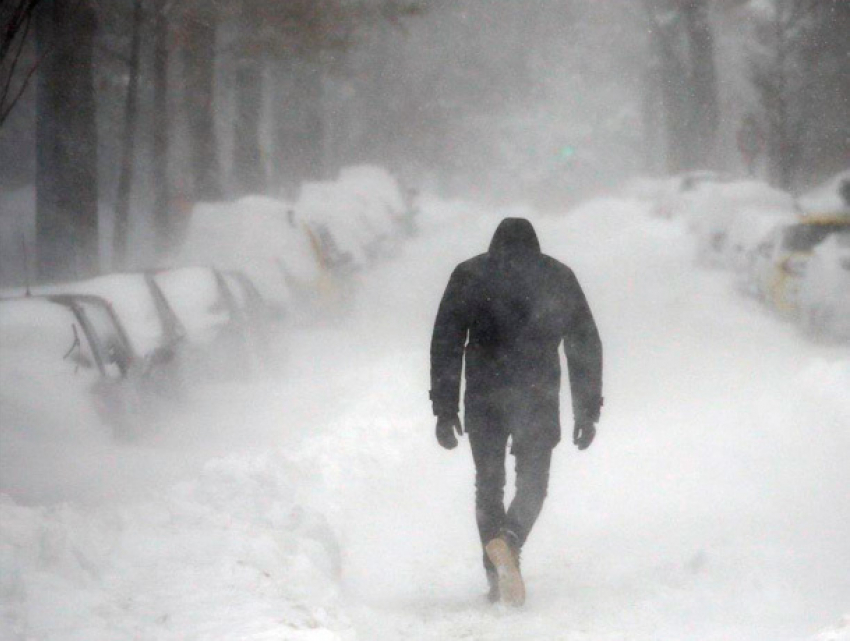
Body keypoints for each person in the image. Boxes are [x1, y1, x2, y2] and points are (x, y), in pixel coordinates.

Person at [429, 217, 603, 606]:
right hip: (537, 393)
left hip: (484, 395)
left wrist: (444, 409)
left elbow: (447, 343)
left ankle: (495, 575)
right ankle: (511, 539)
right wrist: (587, 410)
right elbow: (583, 344)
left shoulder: (470, 275)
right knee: (533, 484)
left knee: (488, 485)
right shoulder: (558, 277)